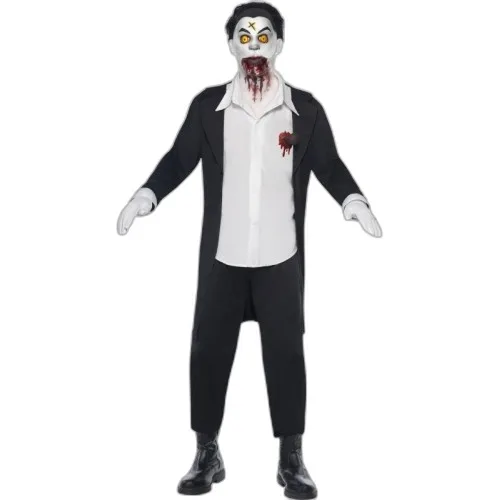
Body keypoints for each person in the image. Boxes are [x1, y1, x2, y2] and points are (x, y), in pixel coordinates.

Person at [117, 3, 382, 498]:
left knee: (287, 355)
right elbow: (179, 159)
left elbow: (330, 164)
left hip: (281, 257)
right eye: (245, 36)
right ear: (231, 46)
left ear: (278, 45)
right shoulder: (207, 108)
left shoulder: (305, 110)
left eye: (264, 37)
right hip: (224, 257)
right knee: (208, 352)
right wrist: (145, 195)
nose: (254, 45)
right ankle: (206, 451)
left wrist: (353, 201)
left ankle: (291, 457)